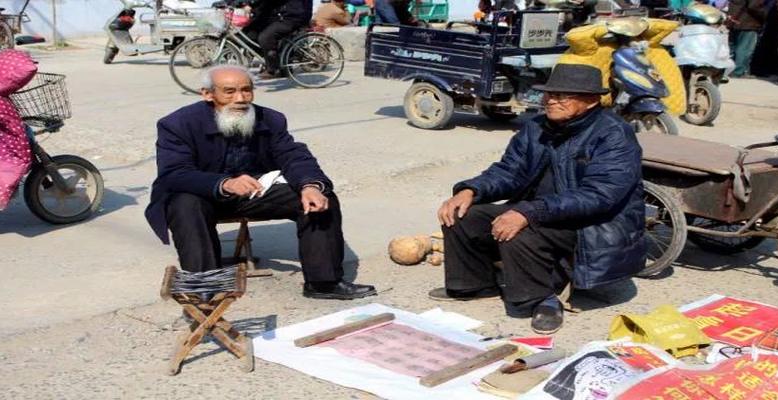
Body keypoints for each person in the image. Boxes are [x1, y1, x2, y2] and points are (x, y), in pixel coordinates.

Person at [429, 64, 646, 334]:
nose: (551, 101)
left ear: (591, 101)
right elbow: (509, 171)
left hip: (592, 224)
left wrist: (529, 211)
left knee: (518, 229)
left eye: (562, 96)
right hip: (541, 210)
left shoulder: (613, 133)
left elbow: (600, 196)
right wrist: (471, 190)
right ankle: (475, 285)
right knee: (463, 214)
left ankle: (542, 299)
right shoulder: (536, 127)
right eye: (549, 95)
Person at [145, 65, 377, 300]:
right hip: (204, 194)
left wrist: (310, 185)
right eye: (229, 92)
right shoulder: (178, 124)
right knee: (184, 204)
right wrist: (225, 183)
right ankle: (205, 286)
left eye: (247, 91)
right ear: (208, 94)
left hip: (254, 192)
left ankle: (324, 282)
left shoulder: (270, 119)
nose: (240, 99)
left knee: (318, 197)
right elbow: (173, 173)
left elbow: (294, 156)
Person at [243, 0, 313, 79]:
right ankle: (273, 62)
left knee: (265, 37)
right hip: (285, 15)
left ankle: (274, 69)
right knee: (252, 35)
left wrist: (251, 5)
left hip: (293, 17)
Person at [728, 0, 768, 77]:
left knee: (733, 48)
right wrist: (766, 14)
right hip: (748, 23)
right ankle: (739, 72)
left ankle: (729, 70)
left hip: (734, 21)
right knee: (745, 49)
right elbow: (754, 6)